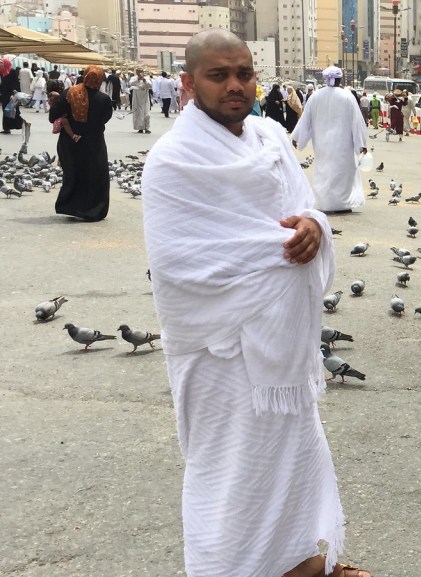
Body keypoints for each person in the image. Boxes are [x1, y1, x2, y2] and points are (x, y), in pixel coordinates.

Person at [141, 29, 371, 577]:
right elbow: (178, 264)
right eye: (218, 76)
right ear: (189, 84)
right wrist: (280, 250)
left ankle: (306, 562)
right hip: (219, 353)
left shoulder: (270, 139)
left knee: (294, 461)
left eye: (243, 73)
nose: (234, 86)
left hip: (281, 351)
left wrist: (314, 227)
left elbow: (304, 209)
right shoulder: (172, 161)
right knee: (232, 474)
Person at [291, 65, 367, 213]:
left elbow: (305, 120)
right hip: (343, 144)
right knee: (343, 173)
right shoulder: (347, 96)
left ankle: (325, 203)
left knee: (324, 172)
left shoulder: (315, 96)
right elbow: (357, 122)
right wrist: (361, 144)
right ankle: (342, 204)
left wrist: (297, 137)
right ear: (340, 79)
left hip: (322, 143)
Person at [49, 65, 113, 222]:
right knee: (95, 175)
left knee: (74, 173)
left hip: (70, 142)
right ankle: (93, 210)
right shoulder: (104, 99)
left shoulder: (69, 93)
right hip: (93, 143)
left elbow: (53, 117)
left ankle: (70, 206)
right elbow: (104, 119)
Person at [1, 56, 29, 138]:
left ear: (6, 64)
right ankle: (6, 128)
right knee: (5, 111)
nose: (0, 65)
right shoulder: (2, 72)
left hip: (11, 95)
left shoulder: (12, 72)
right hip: (4, 94)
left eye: (1, 63)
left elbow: (15, 83)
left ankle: (23, 123)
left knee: (13, 112)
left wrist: (13, 94)